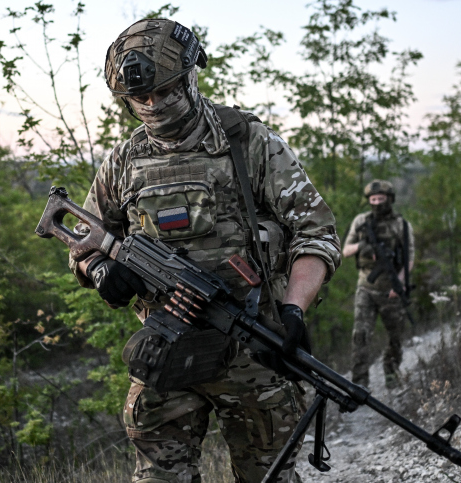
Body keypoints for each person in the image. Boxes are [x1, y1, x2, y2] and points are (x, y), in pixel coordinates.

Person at [67, 19, 341, 483]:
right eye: (140, 97)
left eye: (165, 90)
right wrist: (100, 271)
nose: (153, 105)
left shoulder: (249, 143)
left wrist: (294, 310)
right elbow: (82, 241)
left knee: (267, 477)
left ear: (191, 74)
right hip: (166, 353)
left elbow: (315, 233)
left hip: (252, 350)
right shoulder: (123, 162)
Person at [342, 180, 414, 390]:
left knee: (396, 337)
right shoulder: (361, 221)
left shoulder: (401, 225)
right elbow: (346, 250)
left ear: (389, 199)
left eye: (381, 199)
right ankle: (359, 382)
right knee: (360, 336)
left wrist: (399, 284)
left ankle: (391, 373)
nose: (376, 203)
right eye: (373, 200)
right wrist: (363, 246)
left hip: (391, 290)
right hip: (366, 287)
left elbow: (409, 258)